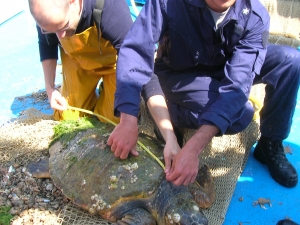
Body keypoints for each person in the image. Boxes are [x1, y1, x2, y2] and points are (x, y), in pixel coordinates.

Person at [109, 0, 300, 187]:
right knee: (241, 115)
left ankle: (270, 143)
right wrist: (128, 118)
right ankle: (170, 114)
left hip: (226, 64)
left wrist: (193, 149)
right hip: (178, 74)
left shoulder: (255, 15)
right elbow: (135, 50)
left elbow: (237, 85)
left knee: (290, 61)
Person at [28, 0, 181, 161]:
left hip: (114, 62)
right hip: (77, 61)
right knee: (67, 120)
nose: (60, 36)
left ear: (74, 2)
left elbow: (144, 73)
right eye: (51, 31)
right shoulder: (45, 10)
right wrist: (50, 88)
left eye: (64, 26)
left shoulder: (111, 8)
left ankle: (106, 92)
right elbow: (46, 45)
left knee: (112, 124)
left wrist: (169, 137)